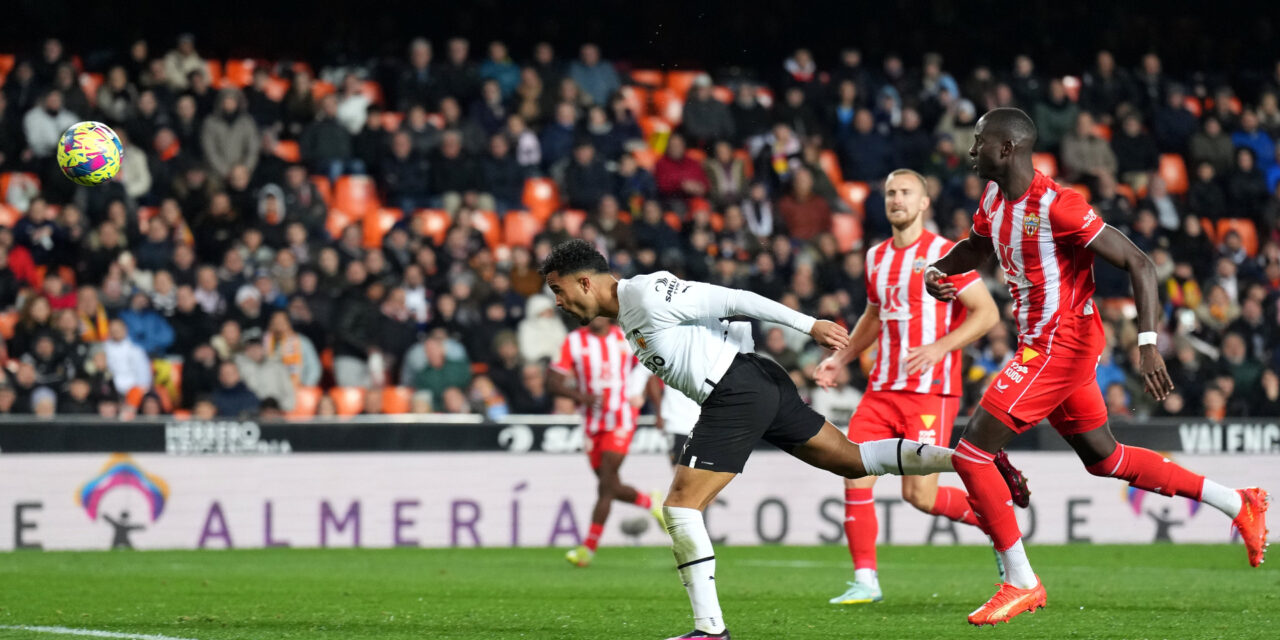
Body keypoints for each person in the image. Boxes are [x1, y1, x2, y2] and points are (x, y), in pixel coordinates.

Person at [539, 239, 1012, 639]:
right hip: (753, 382)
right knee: (852, 460)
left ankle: (709, 629)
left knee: (680, 507)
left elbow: (734, 298)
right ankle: (971, 459)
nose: (558, 302)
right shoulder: (628, 312)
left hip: (735, 391)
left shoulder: (647, 293)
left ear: (585, 282)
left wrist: (809, 326)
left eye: (559, 291)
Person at [925, 107, 1270, 626]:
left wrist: (1149, 342)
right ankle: (1237, 501)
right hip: (1045, 346)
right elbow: (976, 246)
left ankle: (1021, 581)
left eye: (979, 142)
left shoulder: (1058, 205)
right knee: (1104, 459)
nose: (971, 151)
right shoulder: (994, 198)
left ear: (1007, 149)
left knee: (971, 455)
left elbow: (1140, 262)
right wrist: (937, 268)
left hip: (1059, 346)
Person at [812, 169, 1005, 605]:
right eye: (890, 193)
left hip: (930, 391)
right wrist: (839, 358)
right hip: (881, 389)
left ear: (923, 203)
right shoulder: (875, 257)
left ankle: (996, 523)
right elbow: (874, 317)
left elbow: (986, 313)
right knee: (853, 471)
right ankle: (866, 581)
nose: (896, 199)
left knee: (920, 495)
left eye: (905, 193)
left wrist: (941, 346)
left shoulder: (946, 255)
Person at [549, 316, 663, 567]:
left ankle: (587, 549)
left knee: (605, 484)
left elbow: (650, 368)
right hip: (591, 424)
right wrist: (580, 395)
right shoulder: (573, 342)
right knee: (609, 485)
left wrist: (658, 410)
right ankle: (649, 501)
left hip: (622, 418)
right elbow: (552, 381)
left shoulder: (628, 337)